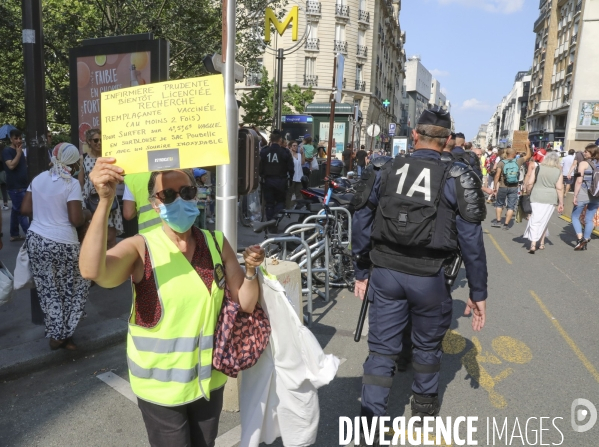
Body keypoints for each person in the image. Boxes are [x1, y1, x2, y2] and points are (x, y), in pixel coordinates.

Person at [79, 160, 265, 446]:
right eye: (168, 195)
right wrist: (105, 202)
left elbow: (246, 304)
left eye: (187, 192)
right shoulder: (142, 247)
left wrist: (251, 271)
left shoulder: (216, 243)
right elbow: (93, 271)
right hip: (161, 389)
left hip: (208, 382)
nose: (179, 200)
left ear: (196, 195)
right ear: (155, 203)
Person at [351, 108, 487, 443]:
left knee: (381, 350)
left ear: (415, 135)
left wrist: (361, 269)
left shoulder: (385, 167)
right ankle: (424, 409)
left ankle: (370, 421)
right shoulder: (458, 175)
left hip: (385, 273)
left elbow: (361, 221)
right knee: (427, 347)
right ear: (447, 140)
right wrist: (478, 292)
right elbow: (471, 241)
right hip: (430, 277)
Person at [20, 143, 91, 350]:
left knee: (49, 291)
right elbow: (76, 219)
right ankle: (63, 334)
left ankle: (59, 335)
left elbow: (25, 209)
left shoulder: (39, 179)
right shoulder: (71, 183)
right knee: (74, 289)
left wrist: (45, 211)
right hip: (63, 243)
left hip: (37, 241)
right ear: (75, 161)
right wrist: (87, 214)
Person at [79, 128, 124, 248]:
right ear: (89, 141)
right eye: (95, 140)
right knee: (92, 236)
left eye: (101, 140)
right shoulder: (83, 158)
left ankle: (113, 264)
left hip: (107, 195)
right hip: (90, 199)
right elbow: (81, 182)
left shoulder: (108, 158)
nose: (99, 143)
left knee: (110, 238)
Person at [523, 152, 564, 253]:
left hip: (536, 195)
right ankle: (541, 243)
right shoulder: (558, 171)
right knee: (544, 220)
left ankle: (533, 244)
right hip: (550, 198)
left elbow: (530, 183)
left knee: (535, 219)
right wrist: (561, 203)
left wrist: (528, 192)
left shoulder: (538, 168)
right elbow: (559, 188)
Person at [491, 143, 532, 229]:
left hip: (503, 186)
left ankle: (498, 221)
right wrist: (527, 145)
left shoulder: (501, 163)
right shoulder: (518, 161)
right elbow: (528, 155)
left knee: (499, 204)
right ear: (514, 154)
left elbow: (497, 176)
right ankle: (506, 224)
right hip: (514, 187)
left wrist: (495, 187)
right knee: (511, 206)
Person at [1, 129, 30, 241]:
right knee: (22, 211)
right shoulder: (7, 151)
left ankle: (14, 234)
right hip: (15, 186)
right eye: (15, 138)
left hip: (22, 185)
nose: (18, 141)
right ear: (11, 139)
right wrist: (18, 153)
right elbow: (11, 166)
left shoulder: (21, 151)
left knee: (16, 210)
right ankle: (30, 236)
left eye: (20, 138)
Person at [260, 130, 294, 221]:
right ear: (280, 140)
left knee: (269, 203)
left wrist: (262, 176)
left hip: (268, 180)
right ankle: (276, 221)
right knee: (280, 202)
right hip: (281, 180)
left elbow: (260, 166)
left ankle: (270, 222)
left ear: (271, 140)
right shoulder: (285, 152)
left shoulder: (264, 151)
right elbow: (291, 167)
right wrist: (291, 178)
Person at [571, 144, 599, 251]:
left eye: (586, 151)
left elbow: (579, 180)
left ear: (592, 152)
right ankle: (586, 239)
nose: (584, 153)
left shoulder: (583, 163)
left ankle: (580, 238)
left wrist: (575, 195)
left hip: (584, 192)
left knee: (575, 216)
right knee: (589, 219)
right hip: (597, 195)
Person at [286, 141, 305, 209]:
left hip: (299, 177)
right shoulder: (289, 155)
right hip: (292, 177)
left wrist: (302, 153)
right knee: (289, 193)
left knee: (299, 193)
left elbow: (303, 162)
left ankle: (300, 208)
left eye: (296, 146)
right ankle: (287, 208)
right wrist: (290, 153)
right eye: (294, 145)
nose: (295, 147)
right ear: (290, 146)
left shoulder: (299, 155)